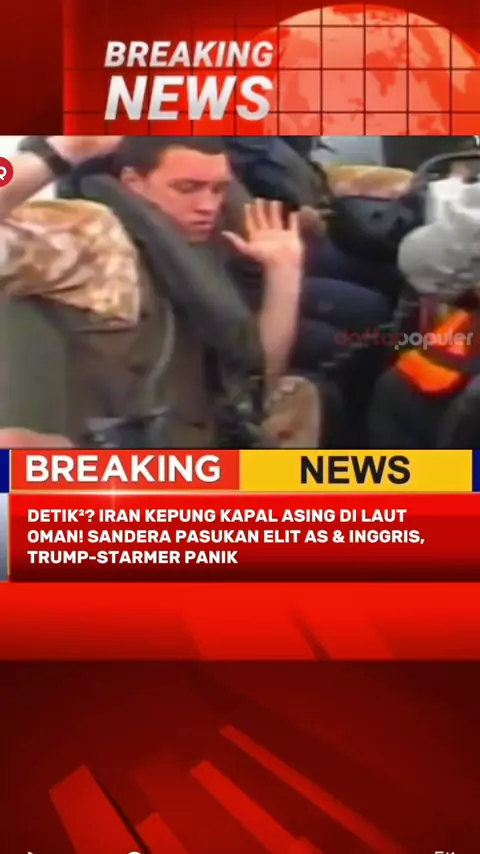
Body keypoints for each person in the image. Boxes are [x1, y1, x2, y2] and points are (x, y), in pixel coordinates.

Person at [0, 135, 320, 448]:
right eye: (187, 188)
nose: (207, 206)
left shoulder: (208, 245)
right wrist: (59, 153)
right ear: (134, 182)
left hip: (211, 441)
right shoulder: (97, 241)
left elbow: (257, 378)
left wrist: (284, 271)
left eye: (218, 189)